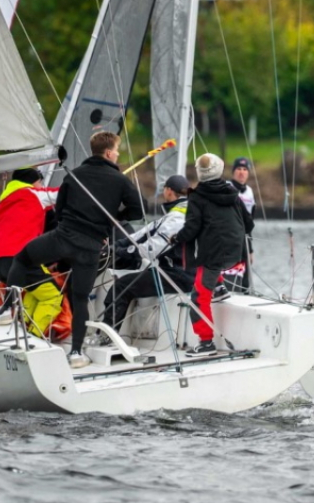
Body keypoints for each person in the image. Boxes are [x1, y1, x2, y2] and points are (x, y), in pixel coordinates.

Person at [6, 132, 145, 369]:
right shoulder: (120, 180)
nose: (118, 154)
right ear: (110, 153)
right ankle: (76, 353)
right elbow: (137, 212)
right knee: (79, 299)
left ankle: (5, 310)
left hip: (62, 239)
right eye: (117, 151)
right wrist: (113, 218)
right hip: (89, 248)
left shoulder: (75, 175)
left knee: (22, 258)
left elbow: (59, 210)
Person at [171, 153, 253, 357]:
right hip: (236, 253)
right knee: (208, 268)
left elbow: (190, 230)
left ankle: (206, 343)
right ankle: (220, 287)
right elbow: (249, 224)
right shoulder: (233, 192)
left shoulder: (197, 197)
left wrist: (175, 238)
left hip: (214, 256)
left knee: (198, 296)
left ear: (200, 173)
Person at [98, 175, 195, 337]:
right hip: (178, 272)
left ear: (169, 191)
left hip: (177, 276)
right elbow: (144, 233)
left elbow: (151, 249)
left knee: (121, 286)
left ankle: (107, 337)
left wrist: (123, 252)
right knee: (127, 281)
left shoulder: (178, 217)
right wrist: (115, 247)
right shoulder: (183, 211)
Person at [0, 168, 62, 335]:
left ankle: (22, 330)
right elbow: (65, 192)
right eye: (40, 181)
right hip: (20, 261)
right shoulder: (36, 194)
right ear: (33, 182)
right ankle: (35, 337)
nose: (42, 185)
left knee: (34, 291)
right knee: (53, 296)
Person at [223, 156, 256, 293]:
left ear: (248, 173)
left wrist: (250, 249)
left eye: (244, 169)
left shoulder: (249, 192)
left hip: (243, 239)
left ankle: (244, 293)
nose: (241, 172)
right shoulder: (226, 187)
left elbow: (250, 222)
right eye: (238, 169)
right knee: (229, 272)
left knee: (245, 276)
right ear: (233, 172)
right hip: (228, 238)